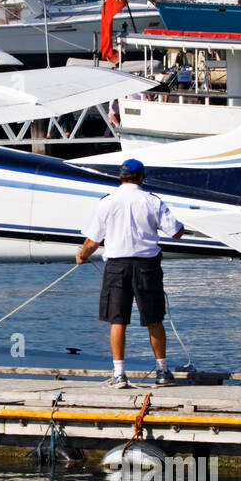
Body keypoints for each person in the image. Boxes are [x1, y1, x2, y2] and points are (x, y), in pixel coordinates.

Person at [75, 158, 184, 389]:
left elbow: (93, 241)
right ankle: (162, 371)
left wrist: (82, 256)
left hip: (116, 266)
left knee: (117, 321)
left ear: (121, 177)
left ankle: (119, 374)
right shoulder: (152, 201)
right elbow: (176, 232)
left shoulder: (107, 202)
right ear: (142, 177)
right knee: (154, 319)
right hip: (147, 266)